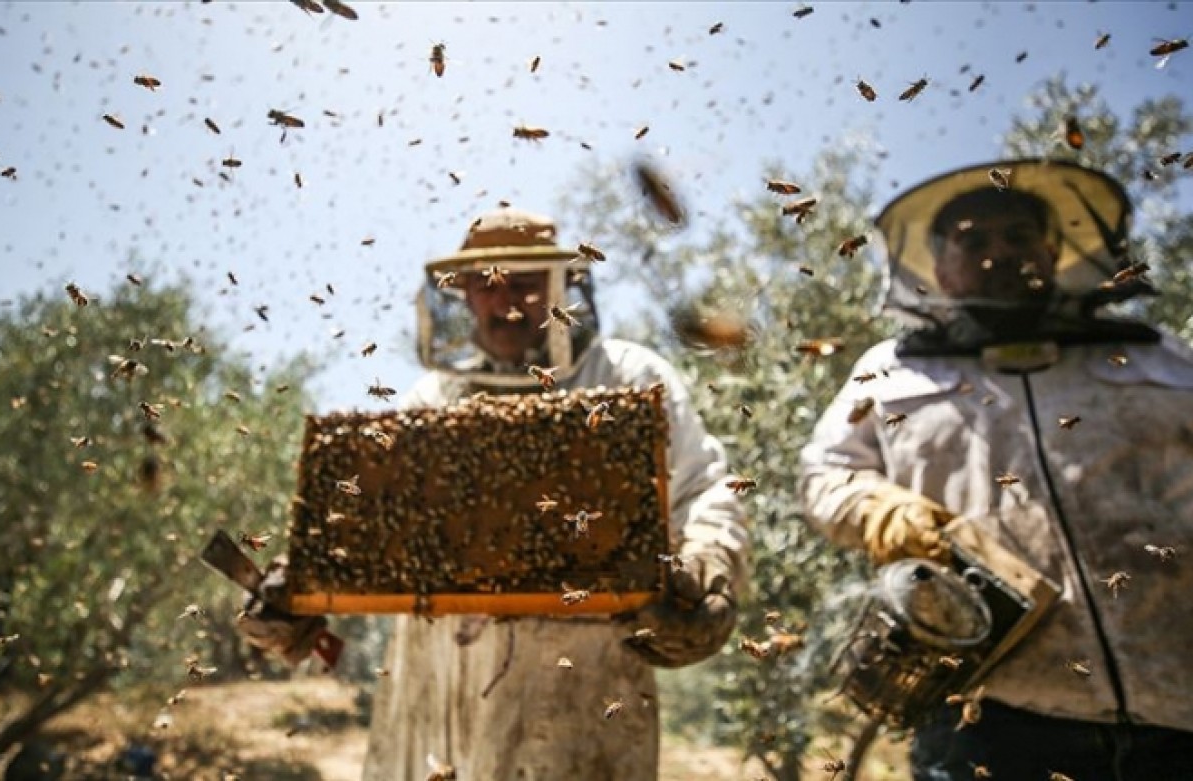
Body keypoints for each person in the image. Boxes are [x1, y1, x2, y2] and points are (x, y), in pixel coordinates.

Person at [243, 207, 750, 781]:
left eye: (527, 283)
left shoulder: (629, 377)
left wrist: (709, 569)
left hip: (585, 691)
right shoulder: (432, 400)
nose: (505, 300)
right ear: (461, 297)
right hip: (438, 694)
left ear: (563, 287)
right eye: (486, 283)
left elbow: (706, 490)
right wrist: (301, 588)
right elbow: (368, 525)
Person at [800, 158, 1193, 781]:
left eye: (1017, 235)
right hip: (986, 715)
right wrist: (882, 510)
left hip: (1177, 701)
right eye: (973, 239)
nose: (999, 252)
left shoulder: (1153, 355)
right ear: (938, 266)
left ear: (1052, 249)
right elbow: (826, 474)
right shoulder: (893, 369)